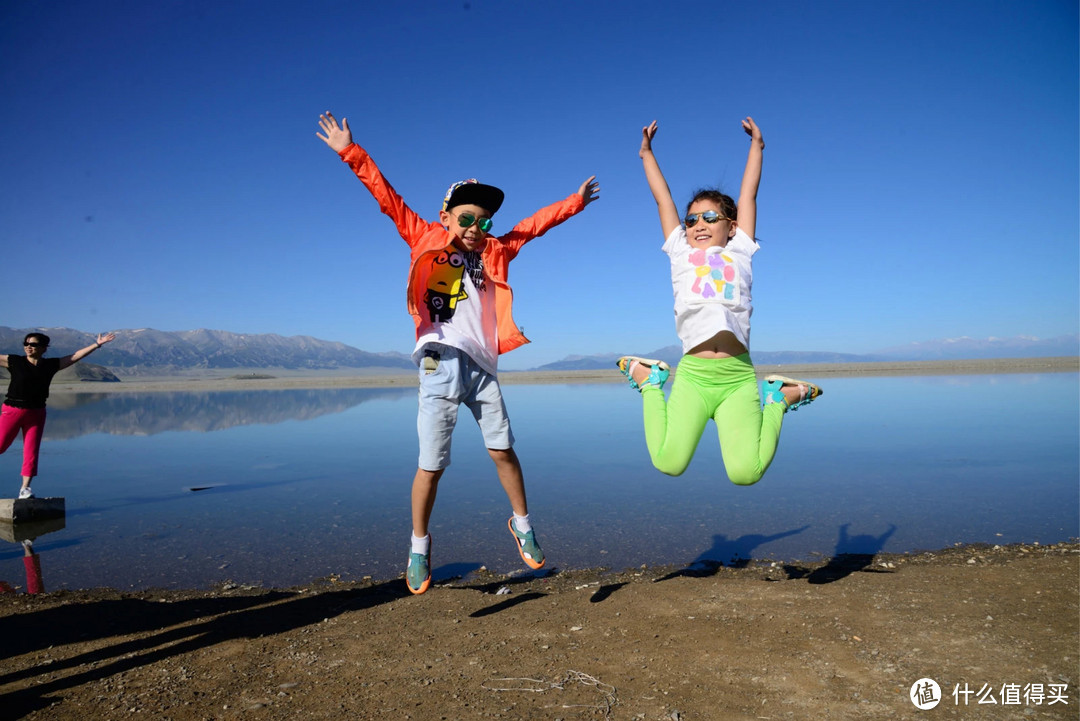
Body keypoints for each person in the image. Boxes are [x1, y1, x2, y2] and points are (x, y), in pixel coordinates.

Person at [317, 111, 599, 595]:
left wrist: (574, 202)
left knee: (503, 451)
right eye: (465, 217)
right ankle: (419, 547)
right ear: (446, 216)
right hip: (439, 362)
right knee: (432, 465)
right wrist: (350, 151)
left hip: (484, 368)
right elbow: (386, 197)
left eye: (483, 219)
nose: (475, 225)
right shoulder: (423, 236)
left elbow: (534, 226)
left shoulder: (495, 250)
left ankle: (522, 523)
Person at [617, 118, 821, 483]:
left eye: (710, 217)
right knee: (669, 463)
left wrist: (756, 146)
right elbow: (663, 199)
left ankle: (778, 399)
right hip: (694, 376)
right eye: (692, 218)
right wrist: (647, 154)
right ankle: (650, 381)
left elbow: (749, 195)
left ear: (732, 224)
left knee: (745, 473)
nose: (698, 224)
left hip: (737, 378)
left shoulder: (739, 249)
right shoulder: (680, 251)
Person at [1, 331, 116, 499]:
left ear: (43, 348)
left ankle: (25, 489)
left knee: (31, 451)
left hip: (37, 412)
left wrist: (97, 344)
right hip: (13, 410)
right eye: (25, 344)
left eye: (32, 344)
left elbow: (75, 356)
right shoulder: (14, 361)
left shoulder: (50, 365)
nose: (28, 347)